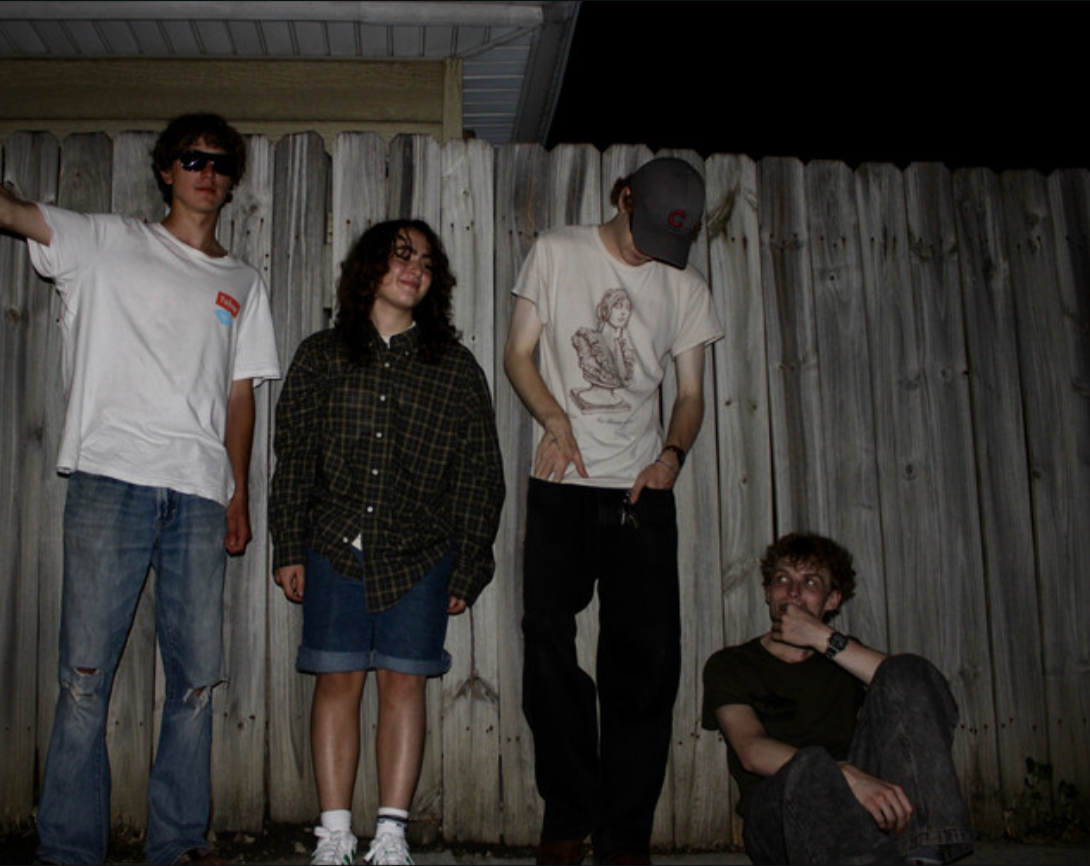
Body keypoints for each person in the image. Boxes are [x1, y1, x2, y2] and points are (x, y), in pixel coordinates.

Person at [0, 112, 281, 865]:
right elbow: (15, 212)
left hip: (198, 497)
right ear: (165, 170)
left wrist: (239, 494)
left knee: (195, 685)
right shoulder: (103, 241)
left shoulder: (242, 282)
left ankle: (178, 842)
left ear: (230, 180)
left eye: (219, 162)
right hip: (110, 483)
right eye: (191, 158)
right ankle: (68, 848)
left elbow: (241, 396)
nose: (206, 171)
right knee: (84, 680)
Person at [503, 156, 724, 865]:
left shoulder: (685, 286)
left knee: (645, 667)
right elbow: (518, 355)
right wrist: (554, 420)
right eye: (647, 233)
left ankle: (625, 837)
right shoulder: (556, 252)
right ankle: (568, 816)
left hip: (641, 493)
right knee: (547, 651)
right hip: (562, 484)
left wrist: (671, 459)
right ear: (623, 197)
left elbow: (689, 395)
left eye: (671, 241)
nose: (651, 253)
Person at [269, 219, 505, 866]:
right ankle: (335, 835)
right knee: (337, 682)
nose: (414, 270)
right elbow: (295, 457)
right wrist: (289, 546)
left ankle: (392, 835)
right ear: (370, 266)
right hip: (334, 548)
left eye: (426, 263)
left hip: (420, 555)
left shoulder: (455, 368)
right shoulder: (320, 355)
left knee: (405, 685)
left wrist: (468, 566)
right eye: (402, 256)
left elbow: (480, 475)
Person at [701, 532, 976, 865]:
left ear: (833, 600)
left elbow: (919, 684)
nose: (793, 592)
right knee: (809, 765)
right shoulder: (731, 664)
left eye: (810, 582)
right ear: (768, 594)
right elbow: (751, 749)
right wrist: (844, 776)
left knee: (907, 669)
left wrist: (823, 639)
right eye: (782, 579)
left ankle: (922, 855)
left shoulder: (844, 657)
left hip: (864, 810)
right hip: (779, 817)